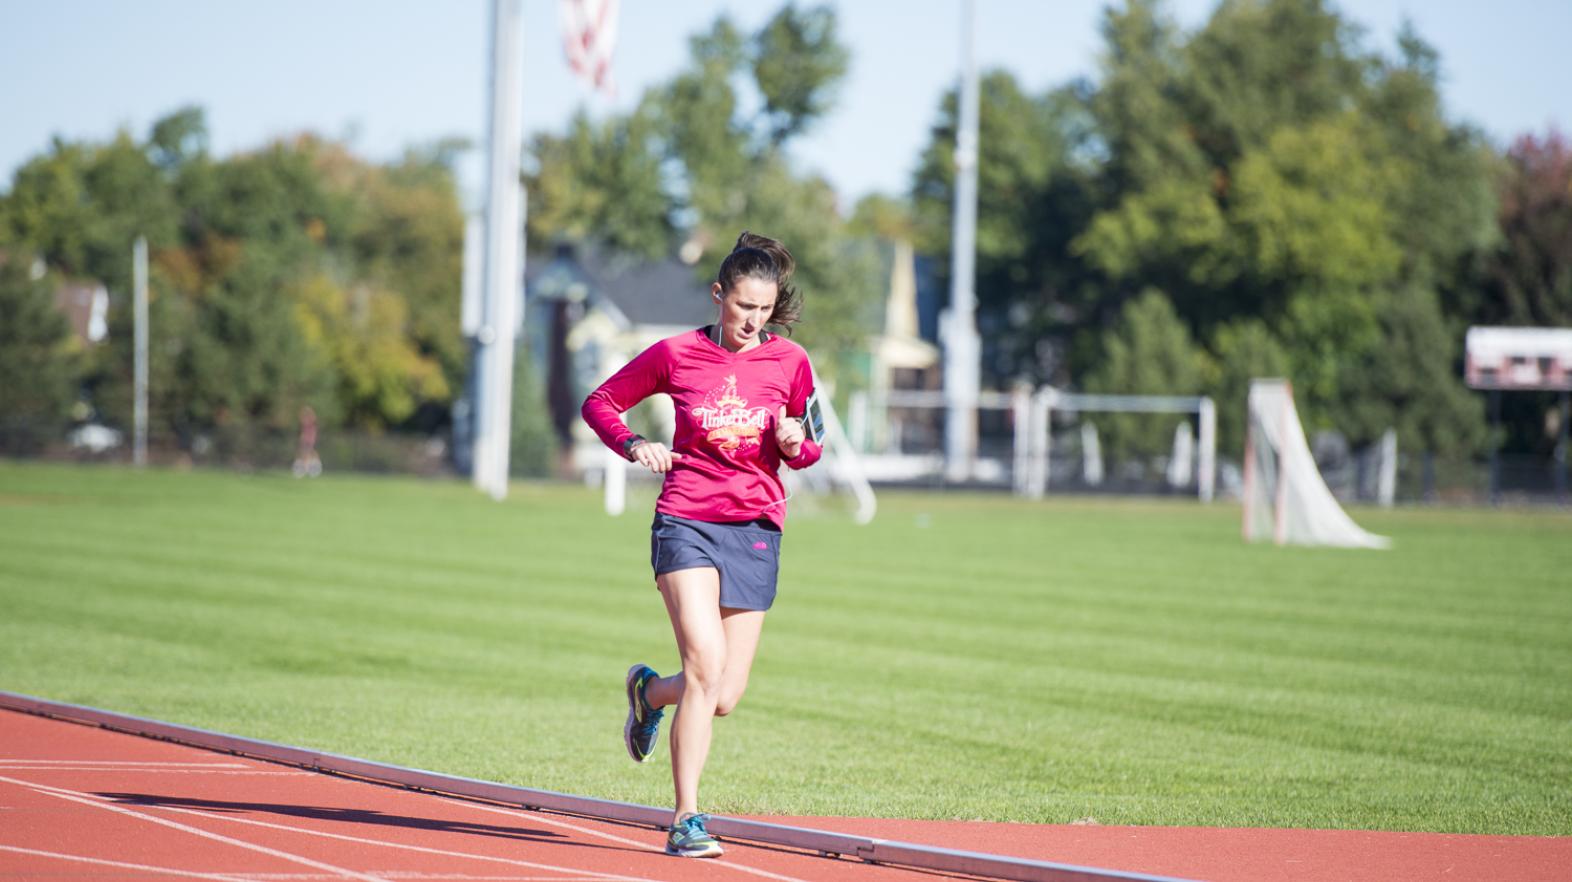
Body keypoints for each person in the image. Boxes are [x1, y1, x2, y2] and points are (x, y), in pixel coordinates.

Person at [580, 231, 823, 859]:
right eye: (743, 306)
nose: (753, 320)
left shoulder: (791, 363)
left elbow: (809, 442)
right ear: (719, 295)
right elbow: (600, 402)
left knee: (723, 696)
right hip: (686, 520)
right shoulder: (675, 354)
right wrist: (634, 445)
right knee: (705, 668)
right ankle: (686, 818)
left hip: (757, 529)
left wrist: (798, 446)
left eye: (765, 310)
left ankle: (648, 693)